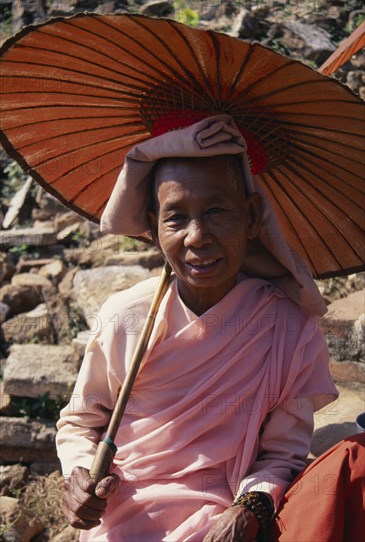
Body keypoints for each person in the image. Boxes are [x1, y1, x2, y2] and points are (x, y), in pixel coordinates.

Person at [56, 115, 363, 541]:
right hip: (123, 517)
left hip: (223, 519)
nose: (197, 237)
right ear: (152, 225)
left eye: (217, 211)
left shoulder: (289, 327)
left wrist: (248, 508)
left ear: (252, 217)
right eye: (176, 218)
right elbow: (79, 423)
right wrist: (78, 478)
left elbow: (281, 454)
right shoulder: (126, 315)